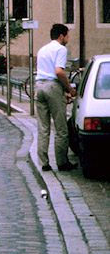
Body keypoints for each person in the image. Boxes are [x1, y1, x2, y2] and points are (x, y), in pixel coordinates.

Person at [34, 23, 77, 172]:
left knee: (43, 127)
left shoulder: (42, 49)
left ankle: (44, 163)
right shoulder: (61, 49)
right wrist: (69, 89)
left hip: (39, 86)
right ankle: (62, 162)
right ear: (61, 36)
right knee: (61, 128)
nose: (68, 38)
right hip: (52, 86)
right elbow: (59, 72)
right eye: (67, 35)